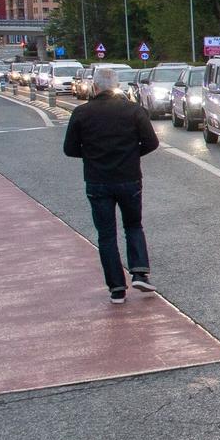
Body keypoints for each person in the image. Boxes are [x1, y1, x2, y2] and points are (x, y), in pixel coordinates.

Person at [63, 66, 160, 304]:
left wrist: (92, 155)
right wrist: (131, 154)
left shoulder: (82, 113)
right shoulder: (133, 111)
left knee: (106, 235)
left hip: (97, 181)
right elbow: (151, 142)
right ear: (117, 87)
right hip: (129, 178)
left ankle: (117, 287)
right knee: (133, 226)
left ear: (94, 87)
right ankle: (139, 272)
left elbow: (70, 149)